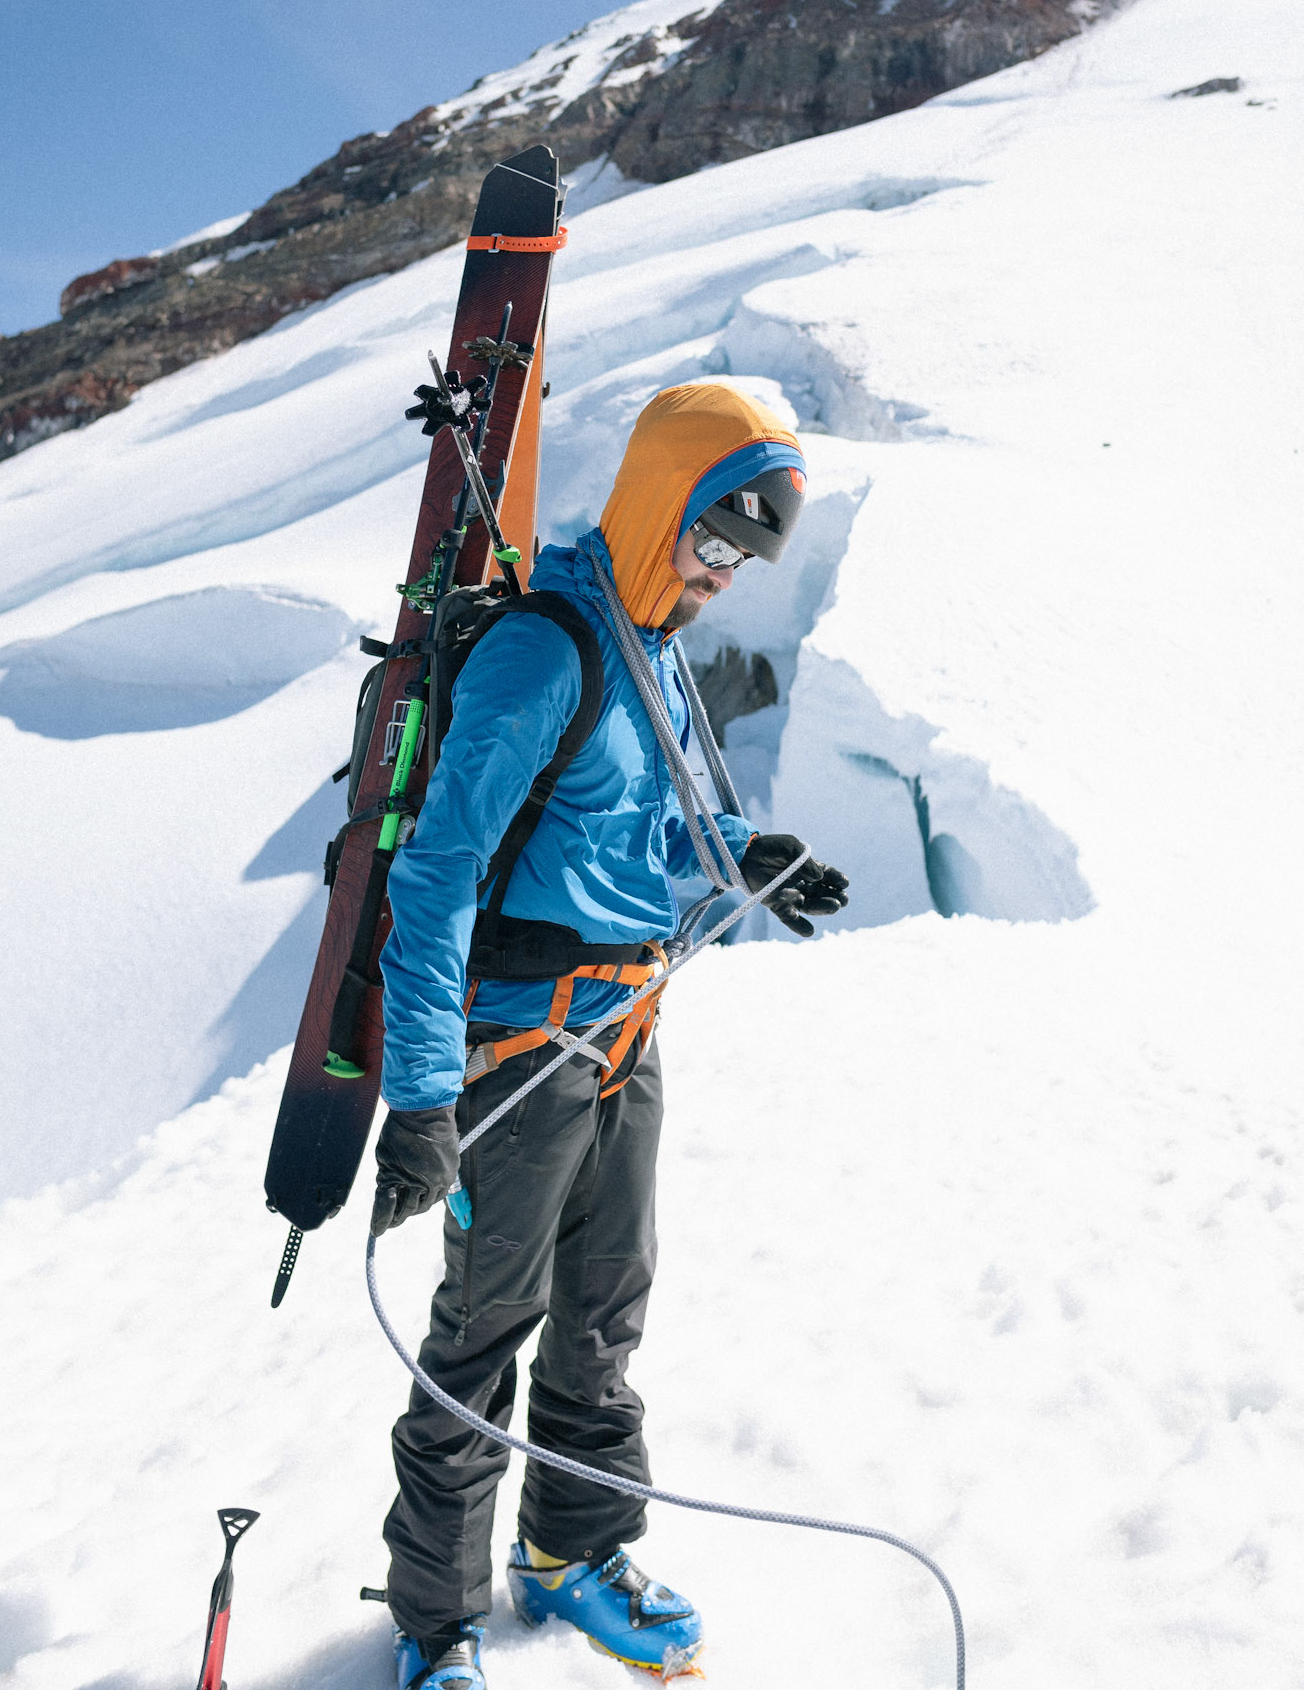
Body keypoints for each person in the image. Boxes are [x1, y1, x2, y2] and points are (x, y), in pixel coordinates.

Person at [372, 382, 849, 1690]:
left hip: (625, 1032)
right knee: (483, 1335)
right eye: (711, 542)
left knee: (603, 1318)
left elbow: (630, 831)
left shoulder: (653, 646)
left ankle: (570, 1553)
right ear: (662, 503)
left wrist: (744, 857)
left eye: (742, 561)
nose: (720, 579)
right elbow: (436, 878)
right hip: (513, 1057)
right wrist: (419, 1101)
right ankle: (433, 1625)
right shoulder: (549, 650)